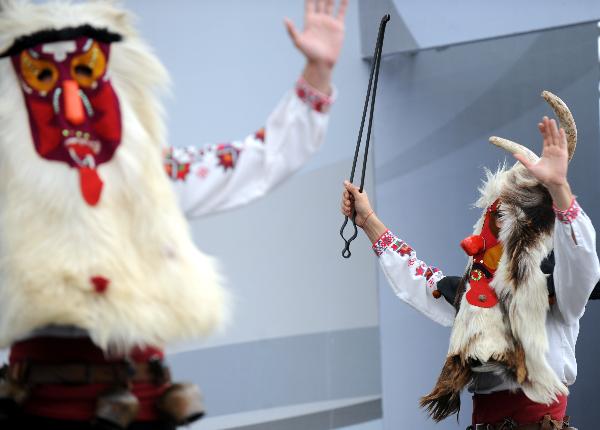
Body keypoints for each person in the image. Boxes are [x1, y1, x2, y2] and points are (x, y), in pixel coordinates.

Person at [0, 0, 347, 428]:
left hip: (143, 406)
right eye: (45, 78)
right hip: (40, 407)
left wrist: (318, 72)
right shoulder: (8, 191)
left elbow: (259, 160)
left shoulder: (153, 178)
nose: (72, 108)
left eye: (87, 75)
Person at [341, 93, 600, 429]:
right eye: (492, 218)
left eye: (506, 219)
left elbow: (584, 264)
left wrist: (559, 189)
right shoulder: (473, 299)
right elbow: (420, 282)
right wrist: (368, 221)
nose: (491, 231)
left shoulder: (559, 289)